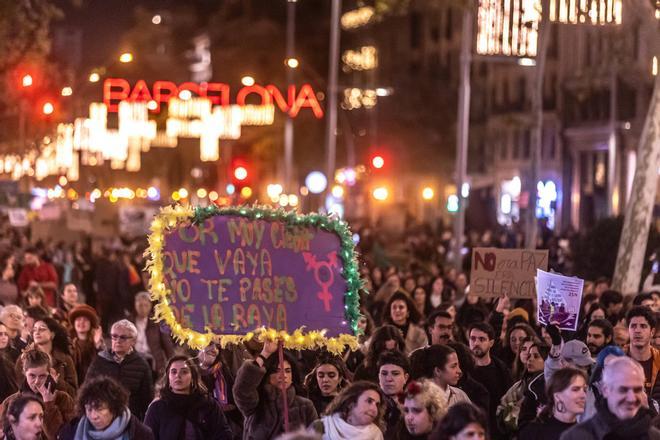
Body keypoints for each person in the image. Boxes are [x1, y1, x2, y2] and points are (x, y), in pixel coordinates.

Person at [233, 339, 317, 439]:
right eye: (277, 371)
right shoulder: (256, 403)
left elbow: (315, 436)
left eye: (288, 371)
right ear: (267, 374)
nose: (283, 375)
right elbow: (242, 389)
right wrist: (265, 354)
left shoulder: (305, 406)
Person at [560, 356, 660, 439]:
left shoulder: (654, 437)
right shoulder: (575, 437)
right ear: (605, 390)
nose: (632, 398)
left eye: (637, 390)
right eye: (623, 390)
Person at [144, 355, 232, 439]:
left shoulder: (208, 405)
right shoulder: (157, 408)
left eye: (184, 372)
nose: (178, 376)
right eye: (174, 372)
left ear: (193, 377)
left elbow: (223, 434)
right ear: (168, 378)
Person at [84, 319, 154, 420]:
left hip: (130, 420)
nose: (117, 340)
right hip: (102, 419)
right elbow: (87, 391)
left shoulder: (141, 364)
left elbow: (146, 400)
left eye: (123, 337)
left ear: (133, 341)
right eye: (114, 336)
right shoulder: (100, 360)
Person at [0, 349, 75, 439]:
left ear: (49, 374)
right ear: (24, 372)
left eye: (42, 376)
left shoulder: (63, 399)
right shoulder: (10, 402)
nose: (36, 381)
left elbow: (63, 437)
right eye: (32, 376)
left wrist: (49, 405)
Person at [57, 376, 154, 440]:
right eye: (89, 409)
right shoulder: (70, 433)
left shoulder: (140, 434)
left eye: (100, 409)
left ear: (114, 408)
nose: (94, 416)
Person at [468, 322, 511, 439]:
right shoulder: (464, 370)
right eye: (473, 338)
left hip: (497, 431)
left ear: (491, 343)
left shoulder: (501, 370)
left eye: (482, 339)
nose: (476, 343)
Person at [518, 368, 587, 440]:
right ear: (557, 396)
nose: (583, 395)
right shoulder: (533, 433)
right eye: (575, 389)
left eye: (585, 390)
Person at [17, 318, 77, 398]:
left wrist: (57, 381)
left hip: (59, 405)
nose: (37, 332)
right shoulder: (24, 358)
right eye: (34, 330)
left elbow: (73, 392)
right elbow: (19, 389)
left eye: (42, 329)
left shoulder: (65, 359)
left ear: (52, 334)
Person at [310, 381, 385, 440]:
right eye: (369, 401)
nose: (374, 409)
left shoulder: (375, 434)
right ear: (351, 403)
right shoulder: (321, 427)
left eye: (377, 405)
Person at [197, 342, 242, 439]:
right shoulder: (188, 371)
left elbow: (235, 402)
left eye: (218, 346)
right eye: (209, 344)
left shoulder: (222, 369)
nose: (214, 350)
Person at [131, 291, 175, 379]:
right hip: (134, 360)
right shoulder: (129, 322)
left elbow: (167, 345)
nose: (143, 308)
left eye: (145, 305)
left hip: (153, 361)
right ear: (135, 305)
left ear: (150, 306)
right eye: (140, 305)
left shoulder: (157, 322)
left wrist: (173, 364)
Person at [625, 306, 660, 402]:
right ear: (628, 330)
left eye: (643, 326)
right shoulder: (617, 360)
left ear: (652, 332)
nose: (637, 330)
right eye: (633, 326)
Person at [67, 304, 104, 385]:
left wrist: (96, 346)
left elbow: (101, 368)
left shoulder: (99, 343)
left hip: (92, 387)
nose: (81, 322)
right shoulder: (67, 343)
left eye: (85, 319)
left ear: (91, 323)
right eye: (78, 319)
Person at [377, 350, 410, 437]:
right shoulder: (369, 403)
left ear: (405, 378)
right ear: (378, 376)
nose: (388, 379)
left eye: (395, 374)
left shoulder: (415, 403)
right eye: (384, 373)